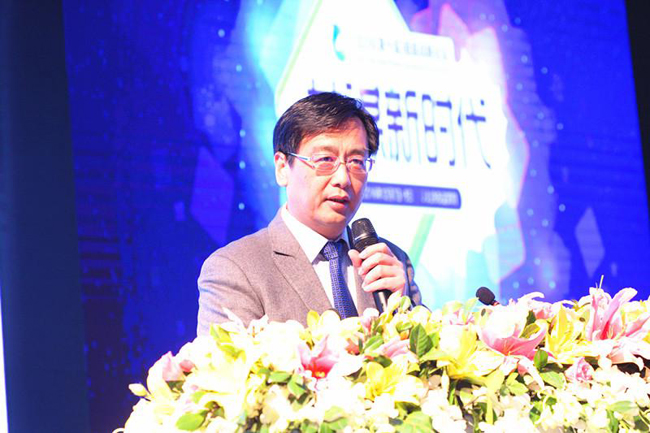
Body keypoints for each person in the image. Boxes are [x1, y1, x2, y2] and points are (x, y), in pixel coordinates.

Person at [197, 92, 421, 334]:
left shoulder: (392, 261)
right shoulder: (235, 269)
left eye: (356, 161)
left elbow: (434, 355)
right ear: (282, 168)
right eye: (325, 159)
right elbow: (230, 358)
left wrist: (404, 311)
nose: (343, 178)